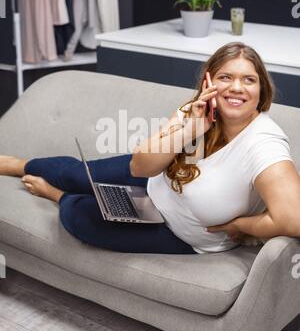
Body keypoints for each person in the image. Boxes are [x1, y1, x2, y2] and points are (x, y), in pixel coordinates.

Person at [1, 42, 300, 254]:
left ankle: (56, 195)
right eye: (226, 77)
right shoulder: (197, 110)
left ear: (261, 89)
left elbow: (293, 218)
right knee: (76, 174)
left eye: (249, 80)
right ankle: (19, 164)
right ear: (209, 80)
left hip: (176, 231)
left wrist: (241, 225)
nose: (236, 88)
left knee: (82, 220)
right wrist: (189, 130)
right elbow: (139, 167)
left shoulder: (263, 143)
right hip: (154, 184)